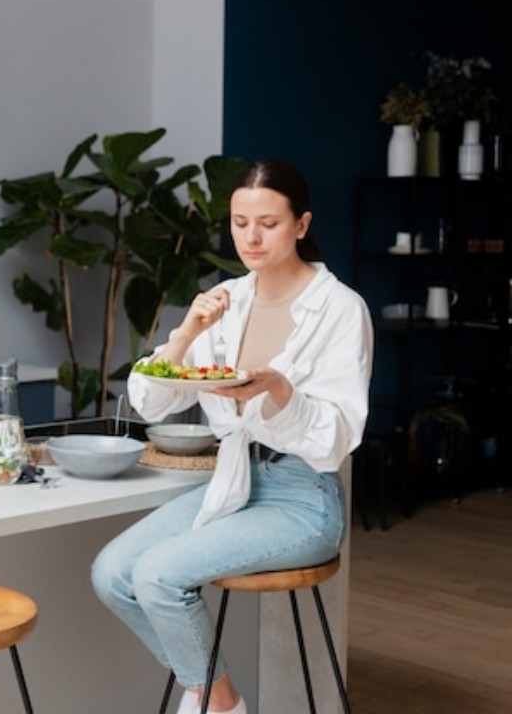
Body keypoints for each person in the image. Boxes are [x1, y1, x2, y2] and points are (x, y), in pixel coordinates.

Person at [90, 160, 373, 714]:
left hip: (305, 498)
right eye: (240, 223)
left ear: (301, 224)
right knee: (112, 574)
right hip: (240, 483)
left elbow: (338, 439)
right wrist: (186, 334)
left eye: (267, 222)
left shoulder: (340, 310)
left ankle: (213, 705)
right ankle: (218, 698)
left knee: (157, 575)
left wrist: (280, 392)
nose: (251, 237)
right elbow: (151, 399)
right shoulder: (227, 301)